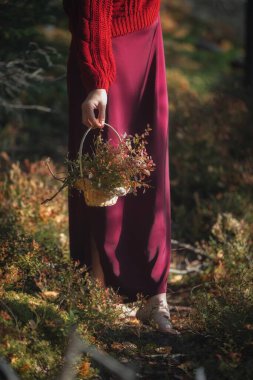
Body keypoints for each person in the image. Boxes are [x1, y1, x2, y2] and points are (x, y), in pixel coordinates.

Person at [63, 0, 178, 334]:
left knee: (149, 165)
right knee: (104, 174)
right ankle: (99, 294)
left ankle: (155, 297)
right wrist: (97, 77)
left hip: (146, 34)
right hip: (106, 45)